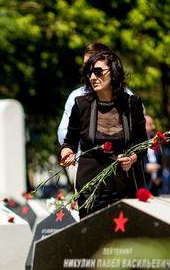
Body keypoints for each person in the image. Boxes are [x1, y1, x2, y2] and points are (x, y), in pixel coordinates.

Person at [59, 50, 146, 217]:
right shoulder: (81, 104)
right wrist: (67, 152)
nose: (92, 77)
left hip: (124, 186)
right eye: (90, 72)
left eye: (98, 72)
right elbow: (69, 141)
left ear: (113, 72)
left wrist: (132, 158)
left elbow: (141, 143)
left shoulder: (132, 104)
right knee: (93, 232)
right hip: (90, 188)